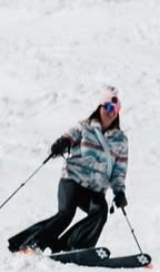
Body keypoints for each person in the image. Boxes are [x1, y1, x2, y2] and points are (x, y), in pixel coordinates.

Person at [8, 87, 128, 254]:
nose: (111, 112)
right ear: (100, 107)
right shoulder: (85, 127)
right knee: (65, 214)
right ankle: (30, 244)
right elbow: (68, 136)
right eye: (108, 107)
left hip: (94, 189)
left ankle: (70, 247)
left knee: (100, 213)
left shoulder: (120, 140)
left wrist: (119, 193)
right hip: (72, 179)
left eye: (115, 109)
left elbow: (119, 171)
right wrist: (62, 143)